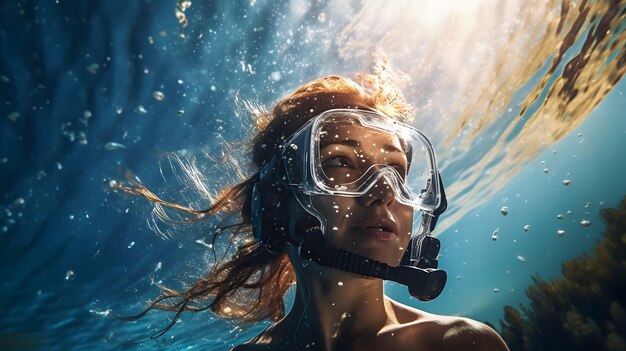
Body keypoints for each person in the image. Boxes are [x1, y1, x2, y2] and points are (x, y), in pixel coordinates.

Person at [119, 61, 510, 351]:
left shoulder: (458, 344)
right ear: (274, 202)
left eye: (396, 170)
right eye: (340, 162)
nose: (385, 192)